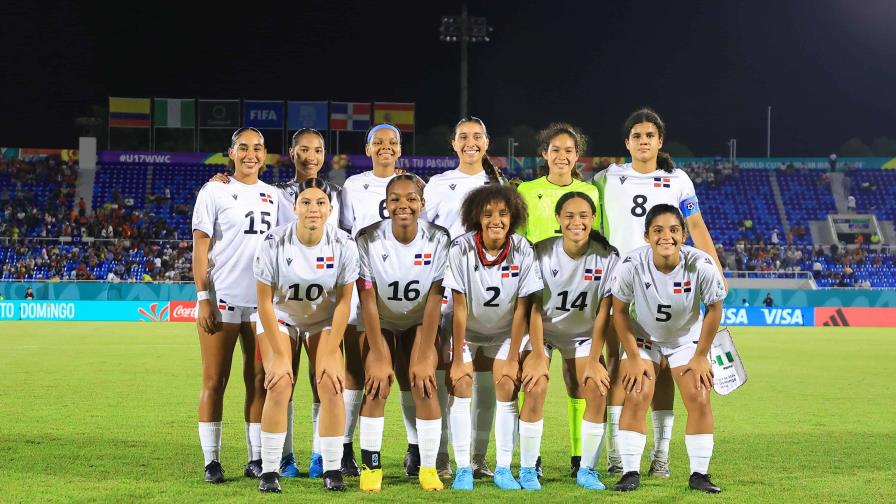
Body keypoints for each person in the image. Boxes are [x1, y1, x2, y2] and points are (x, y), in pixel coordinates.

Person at [591, 108, 726, 477]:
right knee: (620, 368)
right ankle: (618, 454)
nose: (644, 141)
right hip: (619, 281)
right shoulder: (608, 178)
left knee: (663, 373)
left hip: (664, 280)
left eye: (650, 136)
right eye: (637, 136)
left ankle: (660, 455)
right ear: (627, 143)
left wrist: (715, 266)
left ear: (660, 141)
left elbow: (695, 223)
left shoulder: (677, 178)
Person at [208, 127, 343, 477]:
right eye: (303, 149)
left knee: (323, 379)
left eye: (317, 150)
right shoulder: (279, 194)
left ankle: (320, 456)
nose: (310, 156)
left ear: (324, 153)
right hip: (280, 300)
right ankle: (283, 458)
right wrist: (226, 181)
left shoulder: (340, 194)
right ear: (291, 152)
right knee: (282, 377)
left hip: (320, 304)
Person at [611, 204, 727, 493]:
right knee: (636, 393)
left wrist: (701, 355)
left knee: (699, 395)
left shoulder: (701, 264)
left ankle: (699, 474)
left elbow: (714, 309)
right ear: (647, 236)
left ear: (684, 235)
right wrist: (635, 357)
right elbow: (620, 312)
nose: (667, 236)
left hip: (685, 340)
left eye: (674, 230)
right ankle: (629, 472)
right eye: (658, 230)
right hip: (644, 338)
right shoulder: (631, 264)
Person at [253, 178, 358, 492]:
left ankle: (331, 469)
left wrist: (329, 352)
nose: (314, 209)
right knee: (280, 381)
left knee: (331, 382)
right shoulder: (273, 242)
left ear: (330, 209)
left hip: (322, 320)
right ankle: (270, 471)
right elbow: (263, 303)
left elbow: (343, 302)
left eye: (321, 203)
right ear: (295, 208)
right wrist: (280, 356)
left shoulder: (343, 244)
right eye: (307, 203)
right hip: (280, 317)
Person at [192, 127, 279, 484]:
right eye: (243, 147)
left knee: (259, 381)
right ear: (231, 152)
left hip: (262, 305)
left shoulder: (276, 197)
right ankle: (211, 461)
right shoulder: (214, 190)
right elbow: (199, 247)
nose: (250, 154)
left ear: (266, 154)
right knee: (215, 380)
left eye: (257, 148)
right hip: (222, 298)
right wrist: (202, 299)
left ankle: (255, 457)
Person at [353, 174, 451, 492]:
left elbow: (436, 297)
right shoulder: (367, 238)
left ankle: (428, 468)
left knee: (424, 382)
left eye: (411, 198)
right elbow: (367, 299)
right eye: (395, 198)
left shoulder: (438, 238)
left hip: (421, 318)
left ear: (422, 204)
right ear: (386, 203)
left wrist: (424, 355)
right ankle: (371, 466)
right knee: (377, 381)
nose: (403, 205)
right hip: (379, 318)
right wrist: (380, 355)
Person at [515, 123, 601, 476]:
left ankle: (580, 458)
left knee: (577, 379)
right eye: (555, 149)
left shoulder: (591, 192)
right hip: (536, 300)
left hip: (579, 301)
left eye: (568, 150)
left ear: (576, 155)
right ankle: (529, 459)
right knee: (531, 377)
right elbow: (517, 244)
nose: (561, 155)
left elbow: (599, 243)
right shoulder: (526, 190)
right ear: (545, 154)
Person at [423, 117, 507, 479]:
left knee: (486, 376)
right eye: (463, 137)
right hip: (448, 290)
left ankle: (478, 456)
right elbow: (424, 233)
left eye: (477, 137)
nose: (470, 142)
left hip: (491, 293)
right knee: (450, 373)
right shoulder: (439, 184)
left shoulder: (500, 185)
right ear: (453, 144)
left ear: (486, 143)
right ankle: (443, 455)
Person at [443, 184, 541, 491]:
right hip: (467, 330)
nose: (495, 219)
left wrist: (513, 357)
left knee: (506, 383)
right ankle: (462, 469)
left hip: (504, 332)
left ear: (514, 217)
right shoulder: (460, 248)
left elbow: (522, 307)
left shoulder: (524, 248)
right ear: (476, 217)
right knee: (460, 383)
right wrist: (458, 356)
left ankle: (502, 469)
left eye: (503, 213)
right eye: (487, 214)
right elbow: (458, 307)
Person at [523, 192, 619, 491]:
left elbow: (605, 310)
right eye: (569, 215)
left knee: (597, 389)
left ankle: (587, 469)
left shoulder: (608, 257)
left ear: (593, 219)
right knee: (535, 385)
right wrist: (538, 353)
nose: (576, 222)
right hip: (544, 332)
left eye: (582, 216)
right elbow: (535, 308)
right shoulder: (541, 252)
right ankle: (529, 467)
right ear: (558, 219)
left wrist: (593, 358)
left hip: (582, 336)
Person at [338, 123, 405, 478]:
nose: (385, 147)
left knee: (406, 371)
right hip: (363, 287)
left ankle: (414, 450)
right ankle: (346, 448)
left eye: (391, 142)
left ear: (399, 149)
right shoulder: (354, 185)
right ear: (367, 149)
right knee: (356, 371)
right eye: (378, 142)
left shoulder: (412, 185)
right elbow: (346, 233)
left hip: (402, 291)